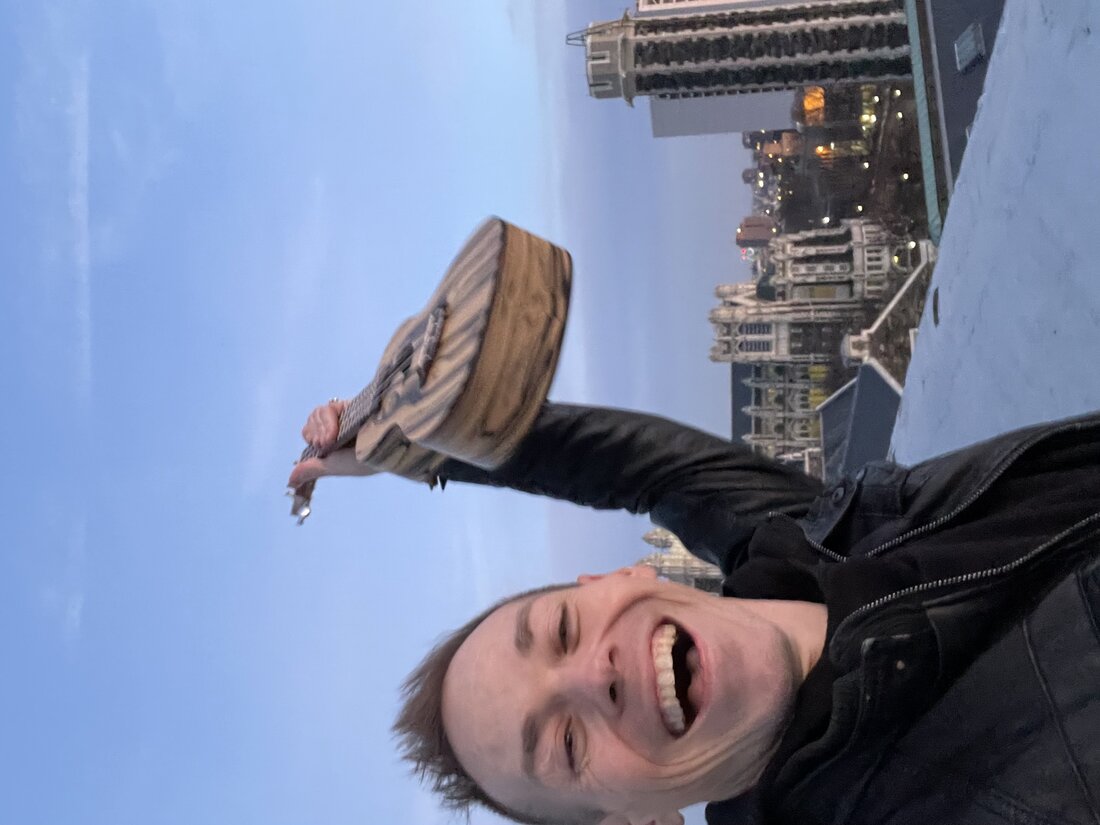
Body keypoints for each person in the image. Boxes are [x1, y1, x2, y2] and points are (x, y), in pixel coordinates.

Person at [289, 400, 1100, 825]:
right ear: (633, 820)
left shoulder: (813, 545)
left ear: (616, 576)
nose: (592, 675)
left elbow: (629, 466)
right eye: (566, 744)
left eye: (565, 630)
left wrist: (410, 441)